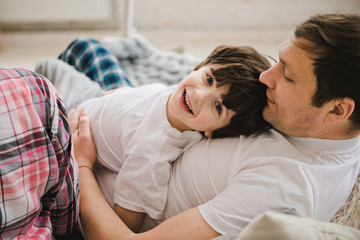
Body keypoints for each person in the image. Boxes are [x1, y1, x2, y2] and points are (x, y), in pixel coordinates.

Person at [70, 13, 360, 239]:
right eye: (279, 61)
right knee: (86, 49)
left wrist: (82, 164)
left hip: (89, 176)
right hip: (139, 121)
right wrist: (132, 98)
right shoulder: (319, 127)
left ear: (336, 110)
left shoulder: (283, 190)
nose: (265, 78)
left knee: (43, 86)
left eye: (288, 75)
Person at [75, 44, 271, 232]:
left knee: (50, 77)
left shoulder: (150, 156)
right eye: (209, 79)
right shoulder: (180, 96)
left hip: (68, 137)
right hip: (95, 102)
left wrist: (82, 163)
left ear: (215, 133)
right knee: (85, 47)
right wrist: (128, 94)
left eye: (218, 106)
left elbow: (122, 225)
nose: (200, 96)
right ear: (202, 65)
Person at [0, 68, 80, 239]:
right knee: (58, 63)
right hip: (84, 112)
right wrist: (85, 161)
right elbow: (66, 222)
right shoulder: (35, 87)